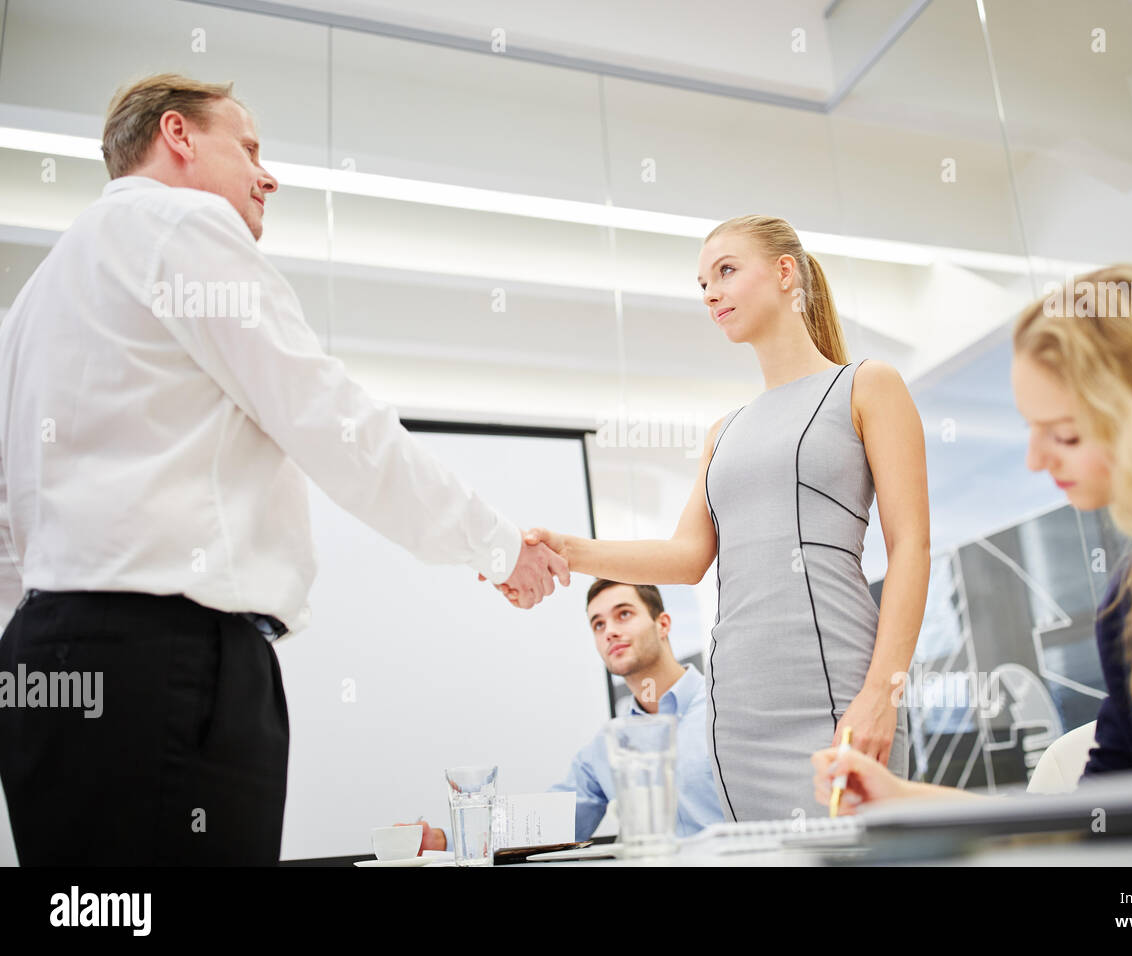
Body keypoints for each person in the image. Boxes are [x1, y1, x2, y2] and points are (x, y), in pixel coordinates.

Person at [0, 73, 567, 866]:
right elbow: (331, 420)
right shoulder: (181, 225)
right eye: (251, 148)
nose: (270, 175)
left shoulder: (33, 301)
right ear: (179, 135)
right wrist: (499, 546)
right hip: (163, 663)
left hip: (42, 673)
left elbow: (5, 528)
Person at [810, 264, 1132, 812]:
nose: (1036, 459)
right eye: (1032, 430)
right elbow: (1104, 814)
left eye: (1063, 433)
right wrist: (906, 802)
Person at [513, 216, 931, 822]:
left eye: (726, 272)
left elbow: (912, 546)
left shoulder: (866, 386)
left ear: (785, 272)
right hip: (737, 715)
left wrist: (880, 693)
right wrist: (569, 550)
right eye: (702, 283)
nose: (710, 292)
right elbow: (686, 559)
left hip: (837, 688)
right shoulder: (724, 433)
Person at [407, 580, 724, 851]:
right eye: (598, 624)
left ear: (663, 624)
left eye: (623, 614)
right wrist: (444, 839)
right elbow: (547, 822)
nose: (610, 631)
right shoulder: (607, 747)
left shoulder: (726, 708)